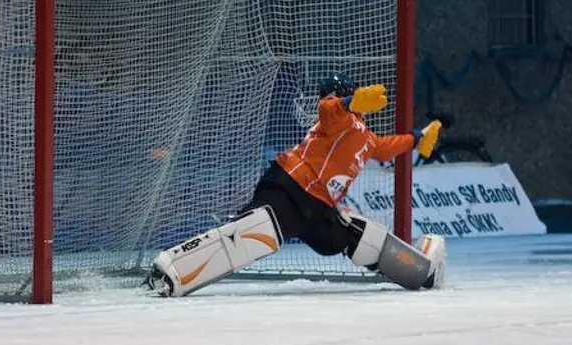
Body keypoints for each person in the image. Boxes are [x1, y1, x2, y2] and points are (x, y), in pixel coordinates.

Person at [145, 73, 446, 297]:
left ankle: (421, 271)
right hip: (290, 189)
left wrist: (418, 136)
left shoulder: (365, 137)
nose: (324, 100)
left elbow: (387, 146)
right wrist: (347, 102)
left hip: (318, 209)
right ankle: (171, 271)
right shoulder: (338, 118)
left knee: (359, 240)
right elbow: (329, 109)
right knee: (256, 232)